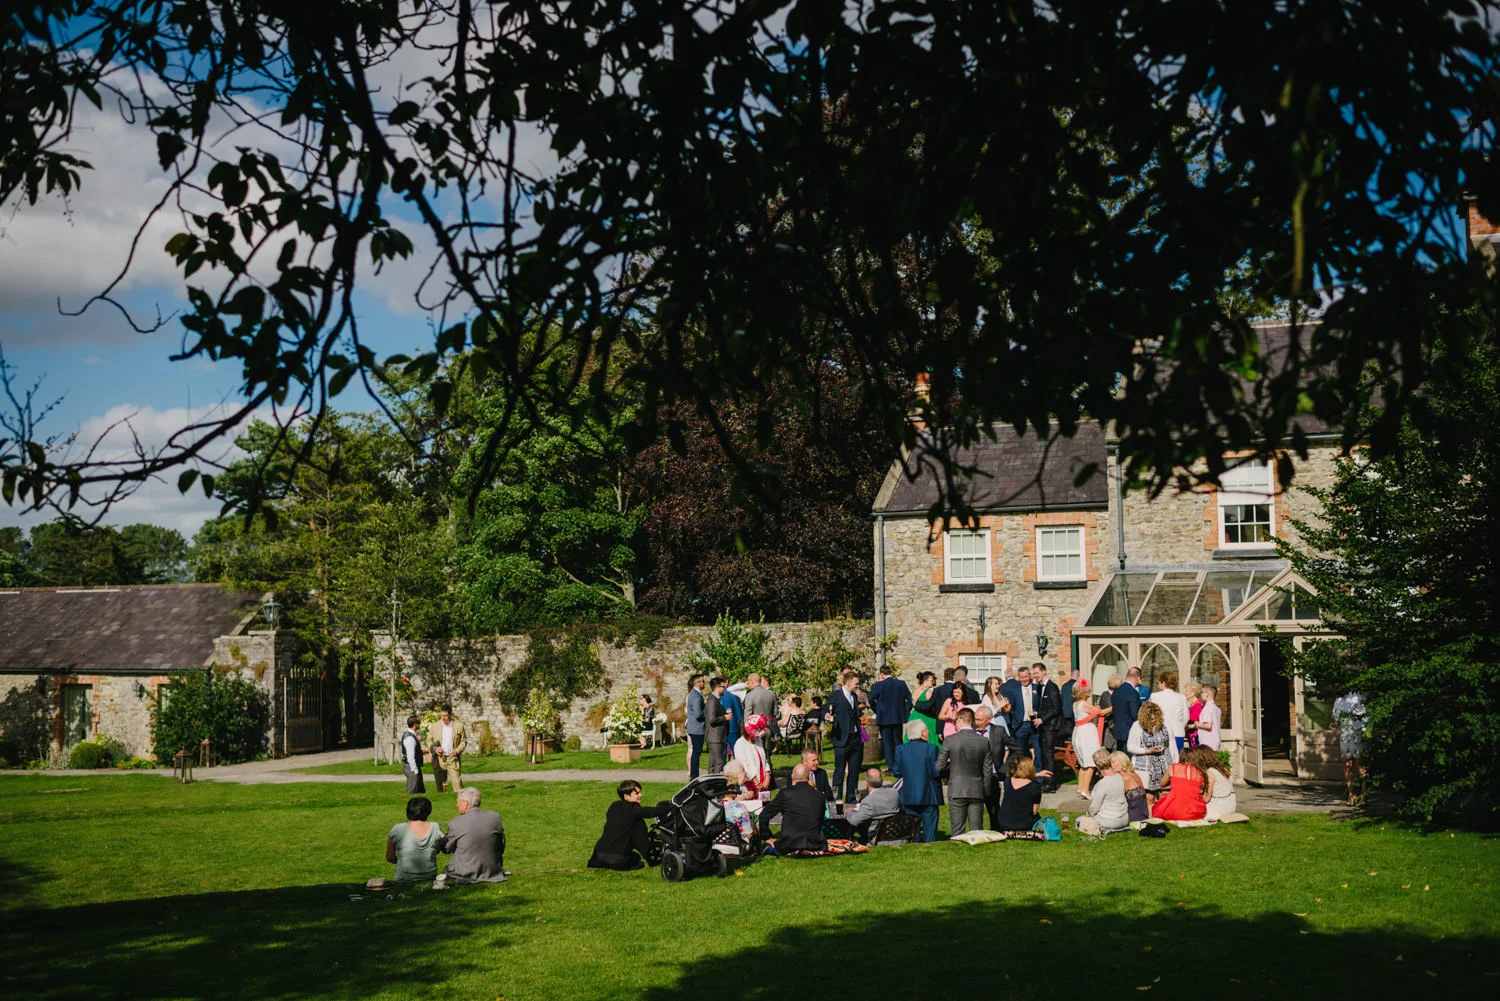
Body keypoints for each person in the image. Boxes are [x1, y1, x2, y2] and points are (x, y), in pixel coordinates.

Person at [589, 779, 672, 870]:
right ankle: (648, 858)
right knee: (636, 855)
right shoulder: (634, 811)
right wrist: (671, 807)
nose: (640, 795)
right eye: (636, 793)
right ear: (626, 796)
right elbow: (650, 812)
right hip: (616, 859)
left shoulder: (614, 806)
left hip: (598, 855)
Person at [936, 707, 992, 836]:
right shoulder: (983, 741)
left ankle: (957, 852)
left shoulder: (950, 740)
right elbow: (987, 770)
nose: (955, 723)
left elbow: (939, 766)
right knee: (977, 830)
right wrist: (986, 790)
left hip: (957, 788)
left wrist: (953, 764)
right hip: (976, 789)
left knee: (957, 830)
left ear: (960, 719)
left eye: (956, 720)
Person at [758, 764, 828, 855]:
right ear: (809, 777)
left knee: (769, 849)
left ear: (792, 776)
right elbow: (820, 820)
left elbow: (764, 816)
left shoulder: (785, 793)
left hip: (789, 845)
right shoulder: (820, 795)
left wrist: (767, 837)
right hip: (815, 844)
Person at [891, 719, 942, 842]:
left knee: (913, 831)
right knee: (930, 829)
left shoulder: (900, 749)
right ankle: (929, 845)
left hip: (908, 794)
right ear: (923, 733)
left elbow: (896, 772)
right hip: (929, 795)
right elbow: (935, 772)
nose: (929, 733)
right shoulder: (931, 748)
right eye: (927, 731)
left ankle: (915, 844)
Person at [442, 787, 507, 883]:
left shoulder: (455, 823)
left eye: (458, 802)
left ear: (465, 803)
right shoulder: (495, 817)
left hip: (465, 872)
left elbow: (447, 849)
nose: (457, 805)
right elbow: (501, 844)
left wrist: (443, 840)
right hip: (492, 871)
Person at [827, 670, 865, 803]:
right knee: (839, 771)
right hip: (841, 739)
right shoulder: (835, 695)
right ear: (848, 683)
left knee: (854, 772)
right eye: (856, 683)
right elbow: (827, 711)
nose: (858, 686)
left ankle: (851, 799)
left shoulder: (854, 696)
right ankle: (836, 799)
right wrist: (827, 717)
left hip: (855, 739)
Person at [386, 796, 444, 883]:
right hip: (429, 875)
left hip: (404, 876)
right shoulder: (435, 827)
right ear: (428, 811)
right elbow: (438, 850)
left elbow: (390, 857)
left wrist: (402, 861)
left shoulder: (397, 829)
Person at [974, 706, 1012, 829]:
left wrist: (1005, 767)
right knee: (974, 809)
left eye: (980, 720)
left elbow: (1017, 749)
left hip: (993, 775)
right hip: (974, 776)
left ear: (989, 719)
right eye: (976, 719)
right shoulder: (971, 731)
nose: (977, 722)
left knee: (993, 808)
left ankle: (996, 831)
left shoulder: (998, 731)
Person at [1128, 701, 1175, 798]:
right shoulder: (1137, 726)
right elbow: (1130, 747)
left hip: (1165, 765)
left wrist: (1175, 764)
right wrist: (1146, 751)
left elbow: (1172, 745)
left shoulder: (1165, 724)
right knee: (1149, 797)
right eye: (1150, 718)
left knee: (1165, 795)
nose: (1153, 720)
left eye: (1155, 717)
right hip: (1146, 767)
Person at [1331, 688, 1369, 807]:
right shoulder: (1338, 701)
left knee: (1360, 765)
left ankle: (1363, 796)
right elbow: (1334, 721)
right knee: (1348, 766)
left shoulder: (1360, 699)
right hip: (1345, 736)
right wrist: (1335, 724)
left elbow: (1366, 720)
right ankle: (1351, 795)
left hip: (1358, 736)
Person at [869, 665, 912, 765]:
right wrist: (905, 711)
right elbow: (909, 699)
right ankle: (901, 764)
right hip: (898, 717)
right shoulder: (901, 684)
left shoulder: (880, 685)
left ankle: (891, 767)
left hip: (884, 718)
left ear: (882, 674)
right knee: (898, 742)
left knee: (887, 743)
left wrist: (877, 710)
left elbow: (871, 699)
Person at [844, 768, 902, 842]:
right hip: (895, 836)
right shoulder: (894, 793)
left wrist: (848, 813)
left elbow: (854, 821)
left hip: (876, 838)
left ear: (867, 783)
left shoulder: (869, 801)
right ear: (882, 781)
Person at [1081, 749, 1130, 836]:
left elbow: (1094, 808)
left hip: (1109, 820)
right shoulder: (1119, 777)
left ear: (1097, 766)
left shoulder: (1102, 784)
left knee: (1079, 820)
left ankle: (1107, 829)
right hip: (1125, 818)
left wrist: (1088, 814)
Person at [1151, 748, 1208, 822]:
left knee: (1158, 805)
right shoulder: (1200, 771)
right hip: (1195, 810)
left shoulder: (1173, 767)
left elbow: (1162, 784)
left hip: (1174, 809)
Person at [994, 754, 1044, 832]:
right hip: (1024, 825)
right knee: (1037, 817)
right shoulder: (1035, 786)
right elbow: (1034, 811)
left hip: (1004, 824)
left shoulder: (1008, 781)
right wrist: (1037, 775)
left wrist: (1037, 775)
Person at [1071, 685, 1105, 796]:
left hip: (1078, 732)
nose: (1090, 691)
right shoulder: (1084, 704)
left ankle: (1081, 788)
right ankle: (1086, 790)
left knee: (1083, 764)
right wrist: (1114, 707)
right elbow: (1101, 713)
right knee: (1090, 763)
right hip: (1086, 733)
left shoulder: (1075, 704)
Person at [1035, 665, 1065, 790]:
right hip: (1043, 727)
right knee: (1044, 754)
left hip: (1051, 727)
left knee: (1048, 753)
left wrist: (1042, 719)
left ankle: (1051, 783)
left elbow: (1057, 708)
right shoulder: (1039, 687)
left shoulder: (1052, 687)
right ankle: (1046, 779)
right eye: (1034, 673)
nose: (1035, 675)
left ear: (1044, 672)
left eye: (1037, 673)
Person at [428, 704, 467, 793]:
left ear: (450, 714)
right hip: (439, 759)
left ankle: (462, 800)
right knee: (441, 786)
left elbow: (464, 741)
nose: (443, 718)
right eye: (441, 715)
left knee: (458, 784)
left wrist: (457, 750)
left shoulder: (459, 725)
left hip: (452, 759)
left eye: (445, 715)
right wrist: (435, 749)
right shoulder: (435, 726)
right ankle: (444, 799)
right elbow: (429, 740)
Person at [1000, 664, 1036, 760]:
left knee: (1037, 751)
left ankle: (1037, 773)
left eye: (1026, 676)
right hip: (1021, 725)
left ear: (1030, 676)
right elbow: (1011, 708)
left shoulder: (1037, 688)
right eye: (1022, 677)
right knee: (1020, 753)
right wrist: (1014, 722)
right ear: (1018, 677)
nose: (1024, 679)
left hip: (1036, 724)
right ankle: (1022, 773)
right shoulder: (1015, 691)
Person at [1150, 670, 1190, 754]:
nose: (1158, 685)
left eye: (1159, 682)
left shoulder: (1154, 696)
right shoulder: (1181, 697)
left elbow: (1151, 715)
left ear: (1164, 682)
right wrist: (1180, 726)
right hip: (1177, 732)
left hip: (1160, 732)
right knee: (1176, 761)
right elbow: (1186, 717)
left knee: (1161, 761)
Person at [733, 715, 772, 796]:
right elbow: (744, 765)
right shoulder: (740, 744)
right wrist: (756, 782)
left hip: (763, 781)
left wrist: (767, 775)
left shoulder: (759, 740)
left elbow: (764, 759)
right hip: (749, 783)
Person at [1197, 746, 1237, 820]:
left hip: (1219, 809)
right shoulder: (1223, 769)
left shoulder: (1210, 773)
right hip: (1231, 806)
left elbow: (1206, 799)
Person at [1112, 751, 1150, 825]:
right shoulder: (1133, 774)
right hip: (1142, 814)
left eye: (1113, 762)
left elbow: (1116, 798)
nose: (1111, 765)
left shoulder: (1125, 778)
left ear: (1122, 762)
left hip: (1134, 817)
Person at [1110, 671, 1141, 753]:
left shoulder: (1116, 691)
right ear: (1138, 679)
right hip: (1130, 732)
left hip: (1118, 731)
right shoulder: (1132, 692)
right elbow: (1135, 714)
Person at [705, 677, 729, 774]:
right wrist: (724, 718)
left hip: (716, 736)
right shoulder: (713, 701)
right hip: (715, 737)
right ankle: (717, 786)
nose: (725, 689)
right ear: (717, 687)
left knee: (713, 763)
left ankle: (710, 785)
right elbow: (712, 719)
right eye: (723, 687)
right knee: (719, 763)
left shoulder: (715, 700)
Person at [685, 674, 707, 779]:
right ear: (697, 683)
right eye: (703, 681)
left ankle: (694, 775)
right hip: (697, 729)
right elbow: (698, 714)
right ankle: (694, 775)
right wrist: (707, 712)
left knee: (696, 752)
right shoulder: (695, 695)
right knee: (696, 753)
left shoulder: (694, 694)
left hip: (694, 728)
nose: (704, 683)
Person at [910, 672, 939, 743]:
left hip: (914, 716)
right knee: (930, 737)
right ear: (926, 681)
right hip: (926, 717)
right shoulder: (928, 692)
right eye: (931, 680)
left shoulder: (915, 690)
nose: (933, 682)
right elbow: (931, 706)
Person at [400, 715, 425, 794]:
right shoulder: (410, 738)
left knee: (420, 792)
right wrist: (415, 771)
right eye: (419, 722)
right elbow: (410, 757)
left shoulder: (411, 736)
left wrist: (420, 751)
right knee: (412, 792)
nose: (419, 724)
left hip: (413, 767)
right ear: (415, 724)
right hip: (411, 768)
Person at [1196, 685, 1223, 752]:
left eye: (1202, 692)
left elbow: (1208, 726)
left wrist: (1197, 724)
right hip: (1215, 740)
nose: (1200, 695)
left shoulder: (1207, 708)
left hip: (1208, 741)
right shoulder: (1216, 708)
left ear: (1207, 695)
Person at [719, 682, 743, 748]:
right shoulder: (732, 694)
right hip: (732, 726)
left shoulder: (713, 695)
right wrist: (740, 720)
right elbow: (738, 711)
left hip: (719, 726)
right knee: (735, 749)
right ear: (726, 682)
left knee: (721, 751)